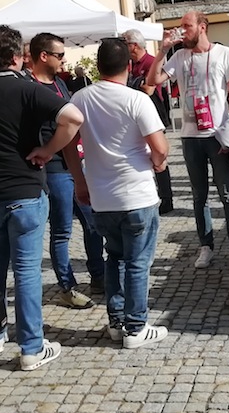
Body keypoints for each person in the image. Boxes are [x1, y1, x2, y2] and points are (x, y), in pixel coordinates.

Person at [0, 25, 85, 371]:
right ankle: (31, 348)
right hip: (25, 191)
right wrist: (48, 149)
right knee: (26, 272)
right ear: (16, 57)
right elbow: (73, 118)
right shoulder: (26, 89)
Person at [72, 38, 170, 349]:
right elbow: (160, 147)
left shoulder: (79, 98)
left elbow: (67, 144)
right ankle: (136, 327)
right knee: (138, 262)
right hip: (136, 193)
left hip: (102, 196)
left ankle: (116, 322)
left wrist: (79, 181)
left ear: (97, 66)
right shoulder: (137, 99)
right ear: (129, 65)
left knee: (114, 258)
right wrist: (158, 162)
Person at [146, 10, 229, 272]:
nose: (182, 30)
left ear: (202, 27)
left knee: (227, 194)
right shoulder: (180, 56)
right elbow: (152, 80)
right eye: (181, 26)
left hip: (216, 134)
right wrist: (162, 50)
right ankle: (206, 246)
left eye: (187, 26)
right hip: (190, 137)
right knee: (198, 196)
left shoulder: (223, 54)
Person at [27, 32, 104, 309]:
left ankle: (99, 276)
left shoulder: (60, 82)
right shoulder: (29, 86)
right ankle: (67, 286)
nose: (64, 59)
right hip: (53, 166)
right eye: (59, 55)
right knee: (61, 230)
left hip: (74, 161)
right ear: (43, 56)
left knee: (93, 222)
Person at [123, 29, 174, 214]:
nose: (123, 47)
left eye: (125, 43)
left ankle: (166, 198)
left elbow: (149, 89)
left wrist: (136, 87)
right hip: (136, 116)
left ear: (134, 45)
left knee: (159, 157)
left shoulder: (150, 62)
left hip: (153, 114)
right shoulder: (130, 64)